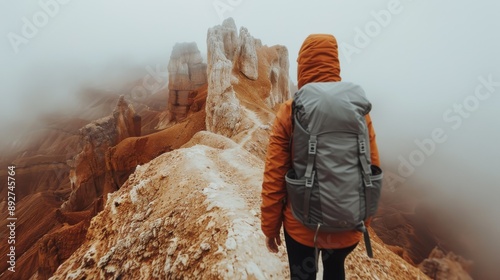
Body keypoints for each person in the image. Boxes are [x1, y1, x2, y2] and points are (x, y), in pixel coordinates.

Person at [260, 34, 381, 280]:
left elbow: (274, 176)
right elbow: (372, 169)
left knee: (303, 275)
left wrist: (270, 228)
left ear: (302, 66)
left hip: (302, 228)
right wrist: (363, 220)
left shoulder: (291, 110)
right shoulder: (359, 110)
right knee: (335, 270)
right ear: (335, 64)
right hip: (348, 225)